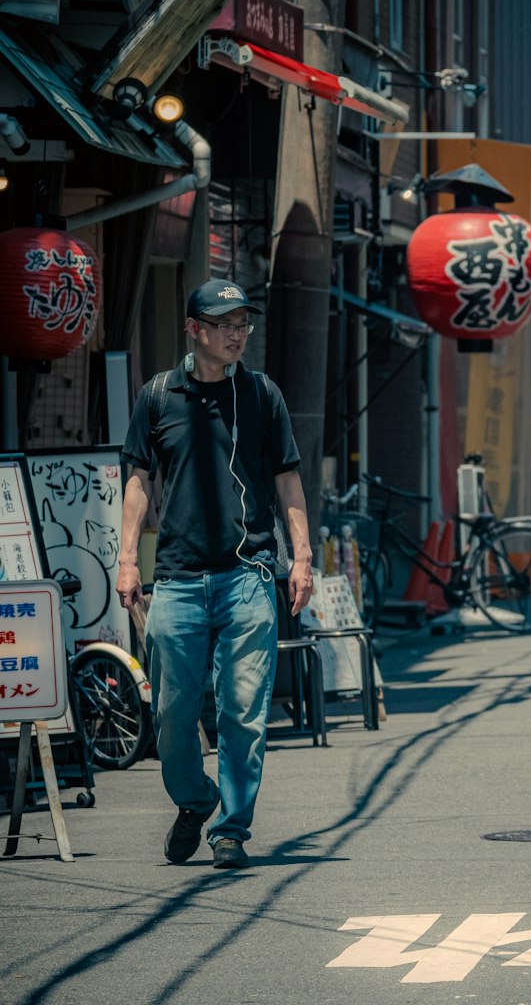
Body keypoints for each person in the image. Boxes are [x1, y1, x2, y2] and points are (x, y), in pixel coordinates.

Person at [117, 279, 315, 871]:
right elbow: (138, 480)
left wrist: (302, 558)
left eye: (242, 324)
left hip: (248, 575)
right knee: (172, 714)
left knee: (242, 712)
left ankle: (231, 828)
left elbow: (287, 478)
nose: (237, 334)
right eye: (224, 324)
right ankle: (194, 799)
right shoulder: (158, 396)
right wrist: (127, 559)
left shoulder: (260, 394)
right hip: (177, 579)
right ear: (193, 329)